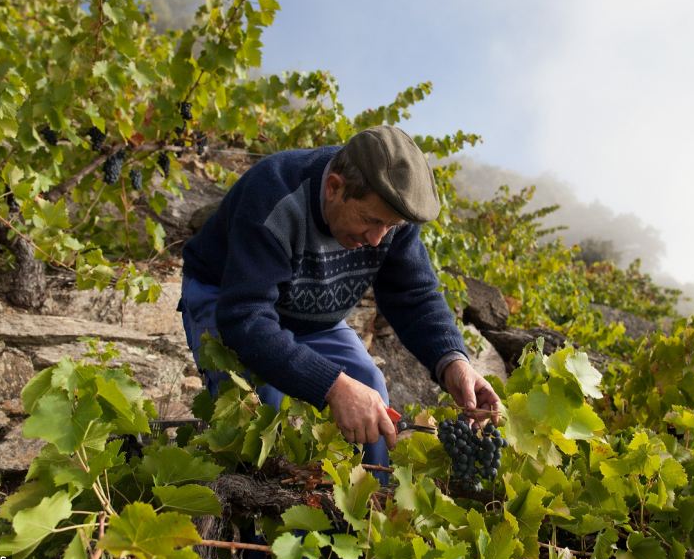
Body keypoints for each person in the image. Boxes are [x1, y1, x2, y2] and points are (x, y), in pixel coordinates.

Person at [177, 125, 500, 468]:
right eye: (370, 221)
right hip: (228, 299)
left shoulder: (391, 213)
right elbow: (246, 318)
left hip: (308, 314)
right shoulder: (273, 195)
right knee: (261, 411)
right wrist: (331, 385)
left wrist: (453, 362)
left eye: (389, 228)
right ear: (334, 187)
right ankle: (253, 507)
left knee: (369, 385)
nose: (378, 239)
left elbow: (414, 295)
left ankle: (369, 510)